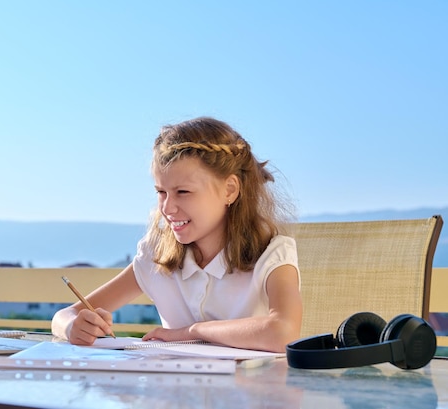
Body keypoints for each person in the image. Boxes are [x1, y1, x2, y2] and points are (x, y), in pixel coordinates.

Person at [51, 116, 302, 353]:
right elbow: (63, 317)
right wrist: (74, 326)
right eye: (161, 192)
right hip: (174, 397)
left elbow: (284, 332)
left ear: (230, 190)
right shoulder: (156, 255)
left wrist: (191, 332)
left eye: (182, 192)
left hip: (248, 396)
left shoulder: (272, 254)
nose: (167, 208)